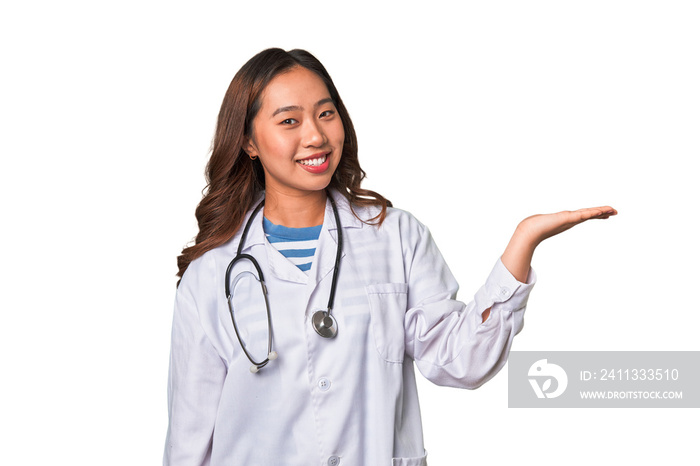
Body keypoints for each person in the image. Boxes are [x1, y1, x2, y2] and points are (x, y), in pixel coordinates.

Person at [164, 48, 616, 466]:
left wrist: (522, 242)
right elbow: (190, 438)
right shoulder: (212, 275)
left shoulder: (394, 236)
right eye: (289, 122)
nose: (316, 136)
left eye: (326, 113)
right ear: (249, 142)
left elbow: (461, 361)